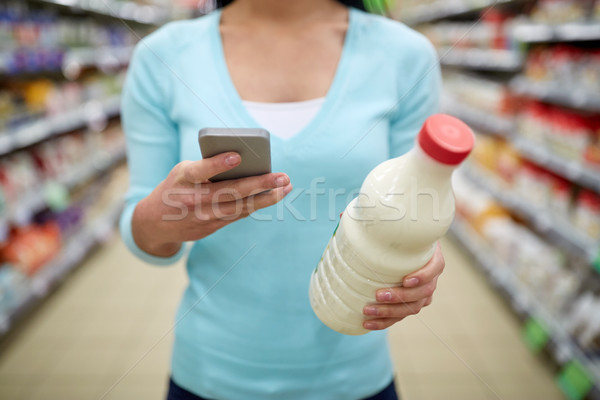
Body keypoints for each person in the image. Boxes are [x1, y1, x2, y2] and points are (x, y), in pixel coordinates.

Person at [120, 0, 444, 399]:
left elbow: (419, 200)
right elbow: (144, 235)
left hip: (354, 374)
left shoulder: (406, 54)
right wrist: (161, 217)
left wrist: (421, 260)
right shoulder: (163, 55)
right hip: (211, 372)